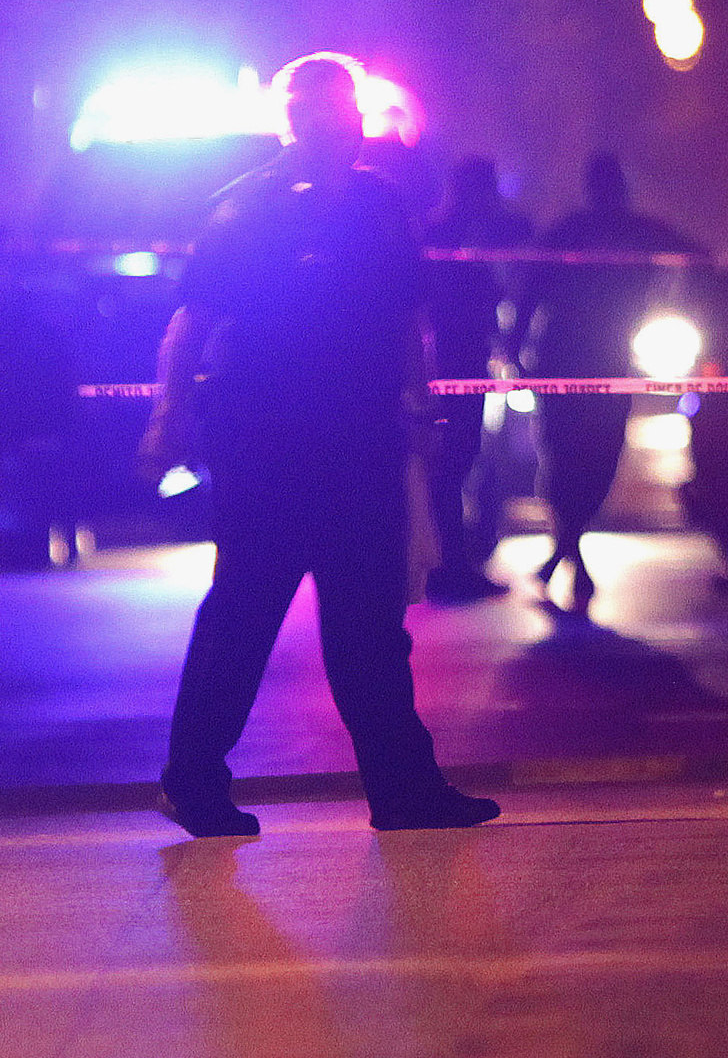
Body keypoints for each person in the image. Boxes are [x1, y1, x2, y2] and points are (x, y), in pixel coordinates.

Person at [138, 54, 498, 838]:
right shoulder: (245, 211)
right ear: (291, 123)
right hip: (267, 445)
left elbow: (408, 317)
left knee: (368, 622)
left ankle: (404, 789)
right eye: (319, 113)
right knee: (244, 612)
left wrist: (420, 402)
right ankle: (192, 780)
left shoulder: (377, 205)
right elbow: (191, 323)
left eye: (345, 112)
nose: (337, 127)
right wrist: (166, 419)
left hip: (359, 439)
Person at [512, 152, 702, 614]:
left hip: (584, 360)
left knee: (590, 460)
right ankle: (570, 555)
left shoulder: (597, 230)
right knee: (572, 458)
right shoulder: (584, 231)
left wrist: (518, 349)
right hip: (577, 360)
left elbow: (696, 255)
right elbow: (530, 290)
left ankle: (564, 553)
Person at [419, 155, 533, 604]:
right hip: (451, 365)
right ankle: (448, 568)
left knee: (451, 464)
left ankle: (446, 563)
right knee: (451, 464)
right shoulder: (452, 239)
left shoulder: (446, 233)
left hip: (455, 363)